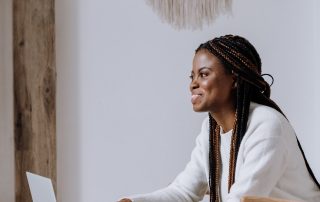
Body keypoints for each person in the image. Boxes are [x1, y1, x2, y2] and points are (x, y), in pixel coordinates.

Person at [118, 35, 320, 202]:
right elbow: (183, 192)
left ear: (234, 79)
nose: (193, 84)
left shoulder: (267, 125)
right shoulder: (210, 129)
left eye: (204, 74)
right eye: (192, 77)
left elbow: (243, 199)